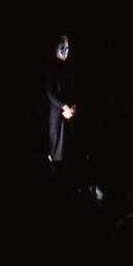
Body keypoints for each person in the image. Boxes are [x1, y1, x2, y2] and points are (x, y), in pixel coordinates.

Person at [45, 34, 84, 191]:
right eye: (62, 48)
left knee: (69, 150)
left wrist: (74, 106)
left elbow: (76, 90)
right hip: (57, 115)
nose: (65, 51)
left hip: (69, 115)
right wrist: (64, 107)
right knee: (57, 151)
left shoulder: (70, 68)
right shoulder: (50, 68)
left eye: (67, 48)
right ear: (55, 48)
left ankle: (69, 185)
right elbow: (50, 92)